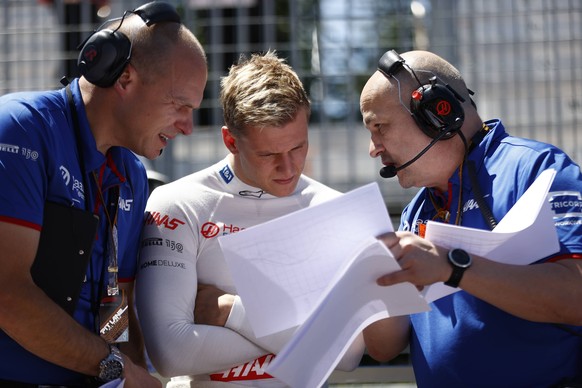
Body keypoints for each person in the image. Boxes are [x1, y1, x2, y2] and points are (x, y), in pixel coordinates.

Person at [0, 1, 207, 386]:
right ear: (125, 79)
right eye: (179, 105)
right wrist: (117, 368)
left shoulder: (131, 174)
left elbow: (116, 312)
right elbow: (7, 294)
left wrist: (129, 366)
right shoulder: (19, 130)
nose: (188, 126)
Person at [135, 50, 365, 387]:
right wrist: (304, 337)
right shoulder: (179, 204)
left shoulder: (333, 210)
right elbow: (171, 354)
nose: (288, 169)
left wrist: (229, 312)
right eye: (268, 154)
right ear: (230, 140)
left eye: (298, 147)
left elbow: (347, 354)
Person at [359, 49, 582, 386]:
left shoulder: (537, 168)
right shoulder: (416, 211)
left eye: (380, 127)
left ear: (437, 112)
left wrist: (453, 267)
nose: (373, 148)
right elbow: (384, 348)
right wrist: (363, 279)